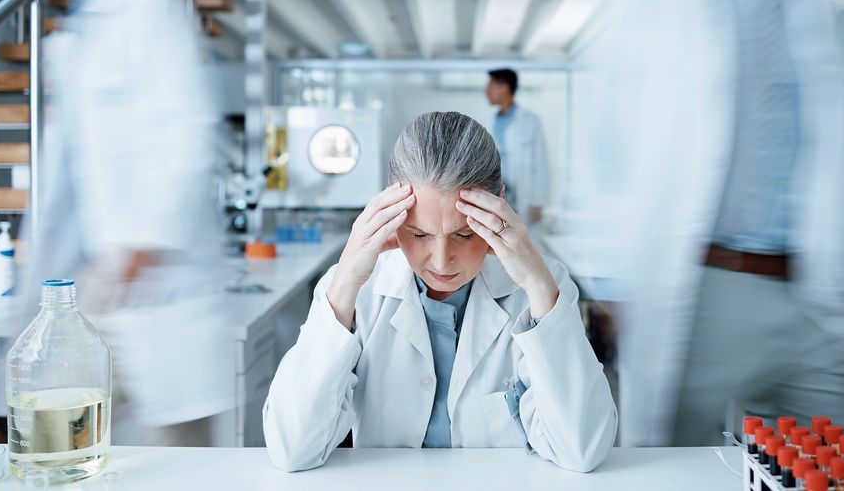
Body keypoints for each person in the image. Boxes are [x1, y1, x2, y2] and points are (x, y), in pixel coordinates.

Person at [567, 0, 844, 446]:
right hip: (704, 291)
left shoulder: (812, 6)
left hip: (815, 292)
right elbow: (602, 150)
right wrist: (613, 287)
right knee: (678, 469)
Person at [263, 111, 616, 472]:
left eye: (465, 234)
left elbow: (581, 449)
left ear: (499, 206)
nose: (442, 260)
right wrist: (344, 286)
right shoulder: (358, 290)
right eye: (418, 235)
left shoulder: (540, 287)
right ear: (389, 210)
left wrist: (540, 290)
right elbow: (292, 449)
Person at [22, 0, 233, 445]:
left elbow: (191, 132)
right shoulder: (70, 38)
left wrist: (147, 243)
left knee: (178, 456)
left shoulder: (150, 13)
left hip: (152, 280)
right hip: (87, 282)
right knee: (66, 450)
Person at [485, 69, 549, 226]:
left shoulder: (530, 121)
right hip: (499, 193)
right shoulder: (491, 121)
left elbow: (541, 163)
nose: (487, 92)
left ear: (504, 88)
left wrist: (538, 202)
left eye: (490, 86)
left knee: (522, 238)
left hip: (524, 197)